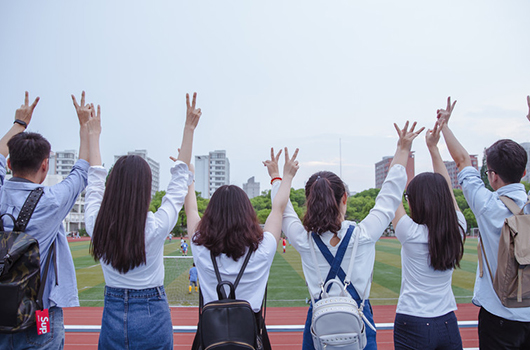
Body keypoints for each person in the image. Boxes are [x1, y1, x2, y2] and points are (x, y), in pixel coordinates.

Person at [269, 122, 423, 350]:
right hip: (358, 320)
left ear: (309, 202)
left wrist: (277, 177)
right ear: (345, 199)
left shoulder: (304, 240)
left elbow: (282, 208)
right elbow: (389, 196)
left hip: (318, 324)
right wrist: (402, 150)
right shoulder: (364, 234)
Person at [84, 92, 201, 349]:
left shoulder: (95, 224)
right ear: (146, 190)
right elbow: (179, 183)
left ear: (112, 186)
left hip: (112, 316)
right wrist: (189, 127)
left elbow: (94, 181)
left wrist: (92, 134)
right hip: (152, 316)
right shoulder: (155, 227)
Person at [0, 91, 90, 349]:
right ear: (44, 166)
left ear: (9, 163)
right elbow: (81, 169)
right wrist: (85, 126)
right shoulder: (51, 202)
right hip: (39, 315)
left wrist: (19, 123)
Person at [186, 147, 300, 350]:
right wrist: (283, 176)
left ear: (211, 214)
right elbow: (278, 208)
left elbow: (191, 209)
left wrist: (189, 173)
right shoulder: (264, 248)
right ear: (248, 214)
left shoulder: (199, 246)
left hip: (210, 337)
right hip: (251, 335)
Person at [439, 96, 530, 349]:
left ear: (492, 176)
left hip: (498, 317)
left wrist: (445, 125)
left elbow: (462, 162)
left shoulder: (488, 206)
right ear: (523, 172)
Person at [391, 120, 466, 349]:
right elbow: (445, 188)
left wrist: (402, 149)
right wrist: (434, 149)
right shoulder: (459, 227)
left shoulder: (411, 233)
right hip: (447, 322)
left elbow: (390, 189)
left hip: (412, 321)